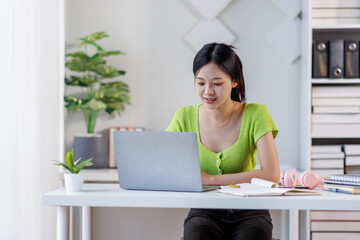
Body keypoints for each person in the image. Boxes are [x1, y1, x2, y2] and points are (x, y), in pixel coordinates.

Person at [166, 42, 280, 240]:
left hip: (251, 211)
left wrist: (210, 180)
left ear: (235, 81)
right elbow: (164, 164)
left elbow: (271, 175)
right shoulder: (183, 117)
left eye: (217, 83)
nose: (208, 92)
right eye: (200, 83)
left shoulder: (256, 114)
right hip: (204, 211)